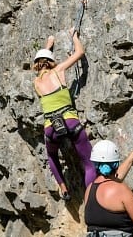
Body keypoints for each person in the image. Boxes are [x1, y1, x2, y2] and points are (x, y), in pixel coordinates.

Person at [33, 29, 94, 200]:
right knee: (89, 164)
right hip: (69, 122)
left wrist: (48, 45)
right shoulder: (58, 71)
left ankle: (63, 187)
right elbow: (80, 52)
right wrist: (74, 36)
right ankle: (91, 197)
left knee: (52, 155)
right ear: (51, 61)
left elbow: (42, 61)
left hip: (50, 127)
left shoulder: (36, 82)